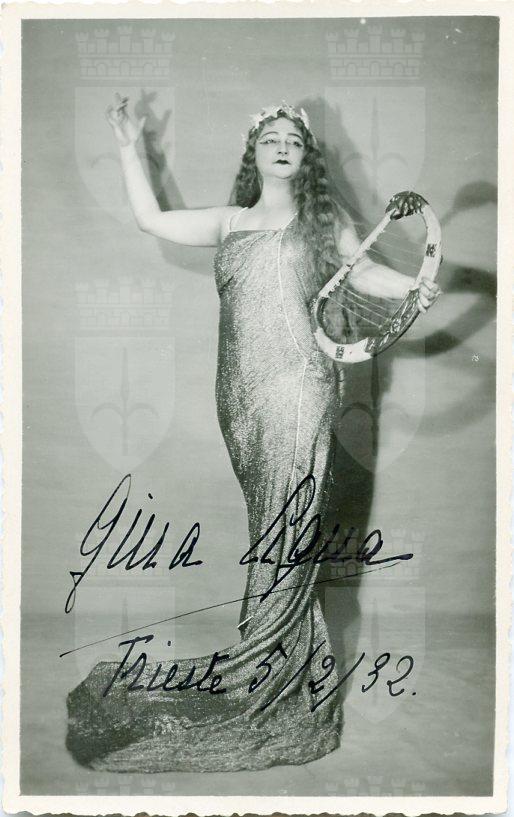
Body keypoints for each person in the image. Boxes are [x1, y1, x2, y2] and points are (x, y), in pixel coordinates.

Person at [65, 98, 440, 773]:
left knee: (287, 531)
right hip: (239, 395)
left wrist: (416, 285)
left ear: (306, 155)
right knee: (272, 527)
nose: (282, 145)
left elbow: (365, 272)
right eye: (271, 138)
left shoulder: (323, 221)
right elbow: (150, 218)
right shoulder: (230, 221)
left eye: (293, 138)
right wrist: (127, 144)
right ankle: (268, 667)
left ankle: (273, 681)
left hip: (301, 389)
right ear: (254, 153)